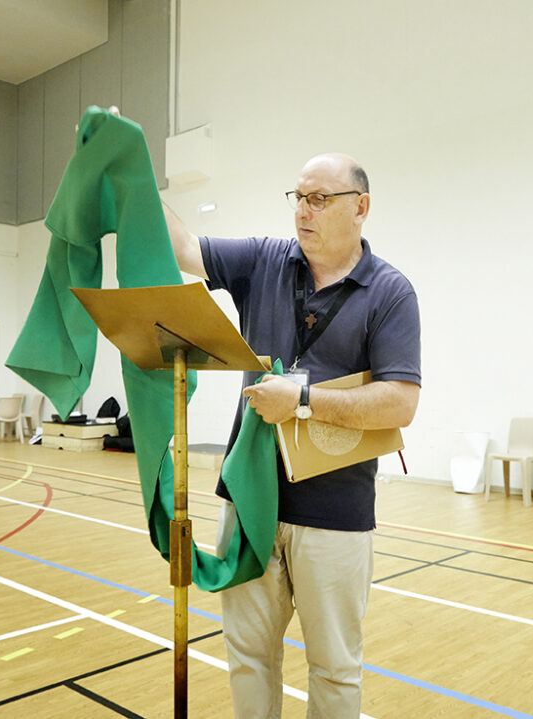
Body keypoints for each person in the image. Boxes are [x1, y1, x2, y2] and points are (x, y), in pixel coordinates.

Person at [165, 152, 421, 718]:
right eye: (298, 198)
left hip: (335, 511)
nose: (303, 211)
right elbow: (183, 248)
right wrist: (132, 170)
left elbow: (401, 402)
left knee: (334, 669)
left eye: (319, 199)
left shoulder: (390, 293)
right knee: (248, 656)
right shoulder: (264, 260)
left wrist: (302, 401)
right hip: (251, 499)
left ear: (361, 208)